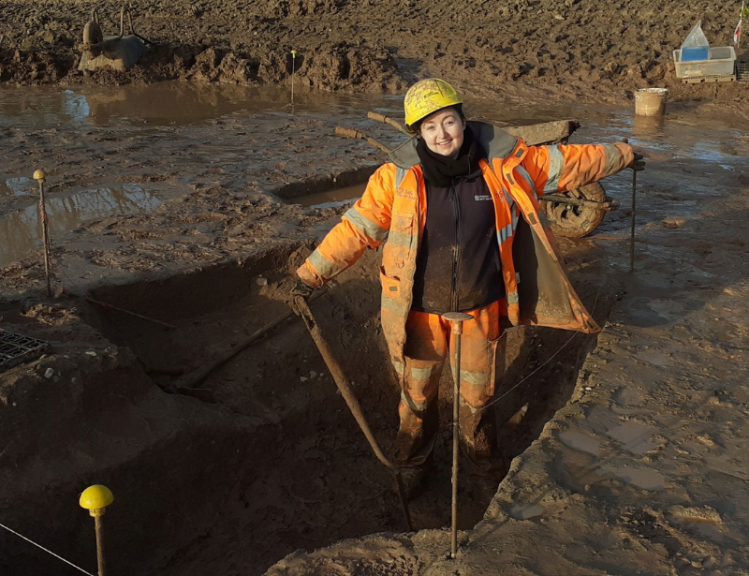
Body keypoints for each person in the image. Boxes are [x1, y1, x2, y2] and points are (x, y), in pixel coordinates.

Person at [291, 78, 644, 495]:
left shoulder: (504, 164)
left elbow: (567, 163)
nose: (442, 134)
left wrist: (626, 153)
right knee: (417, 396)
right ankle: (412, 460)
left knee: (479, 396)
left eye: (448, 121)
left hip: (481, 310)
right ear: (417, 134)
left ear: (463, 119)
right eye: (429, 127)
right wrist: (309, 276)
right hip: (420, 314)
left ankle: (480, 457)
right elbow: (357, 228)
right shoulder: (396, 179)